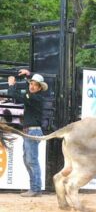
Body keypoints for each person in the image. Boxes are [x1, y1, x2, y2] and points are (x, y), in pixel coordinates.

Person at [8, 69, 47, 197]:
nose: (32, 86)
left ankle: (35, 189)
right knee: (29, 160)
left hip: (32, 131)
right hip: (31, 131)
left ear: (39, 87)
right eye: (31, 83)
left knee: (31, 160)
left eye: (35, 85)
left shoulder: (34, 97)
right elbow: (24, 95)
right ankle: (35, 188)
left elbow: (16, 95)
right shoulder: (35, 97)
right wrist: (29, 75)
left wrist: (12, 85)